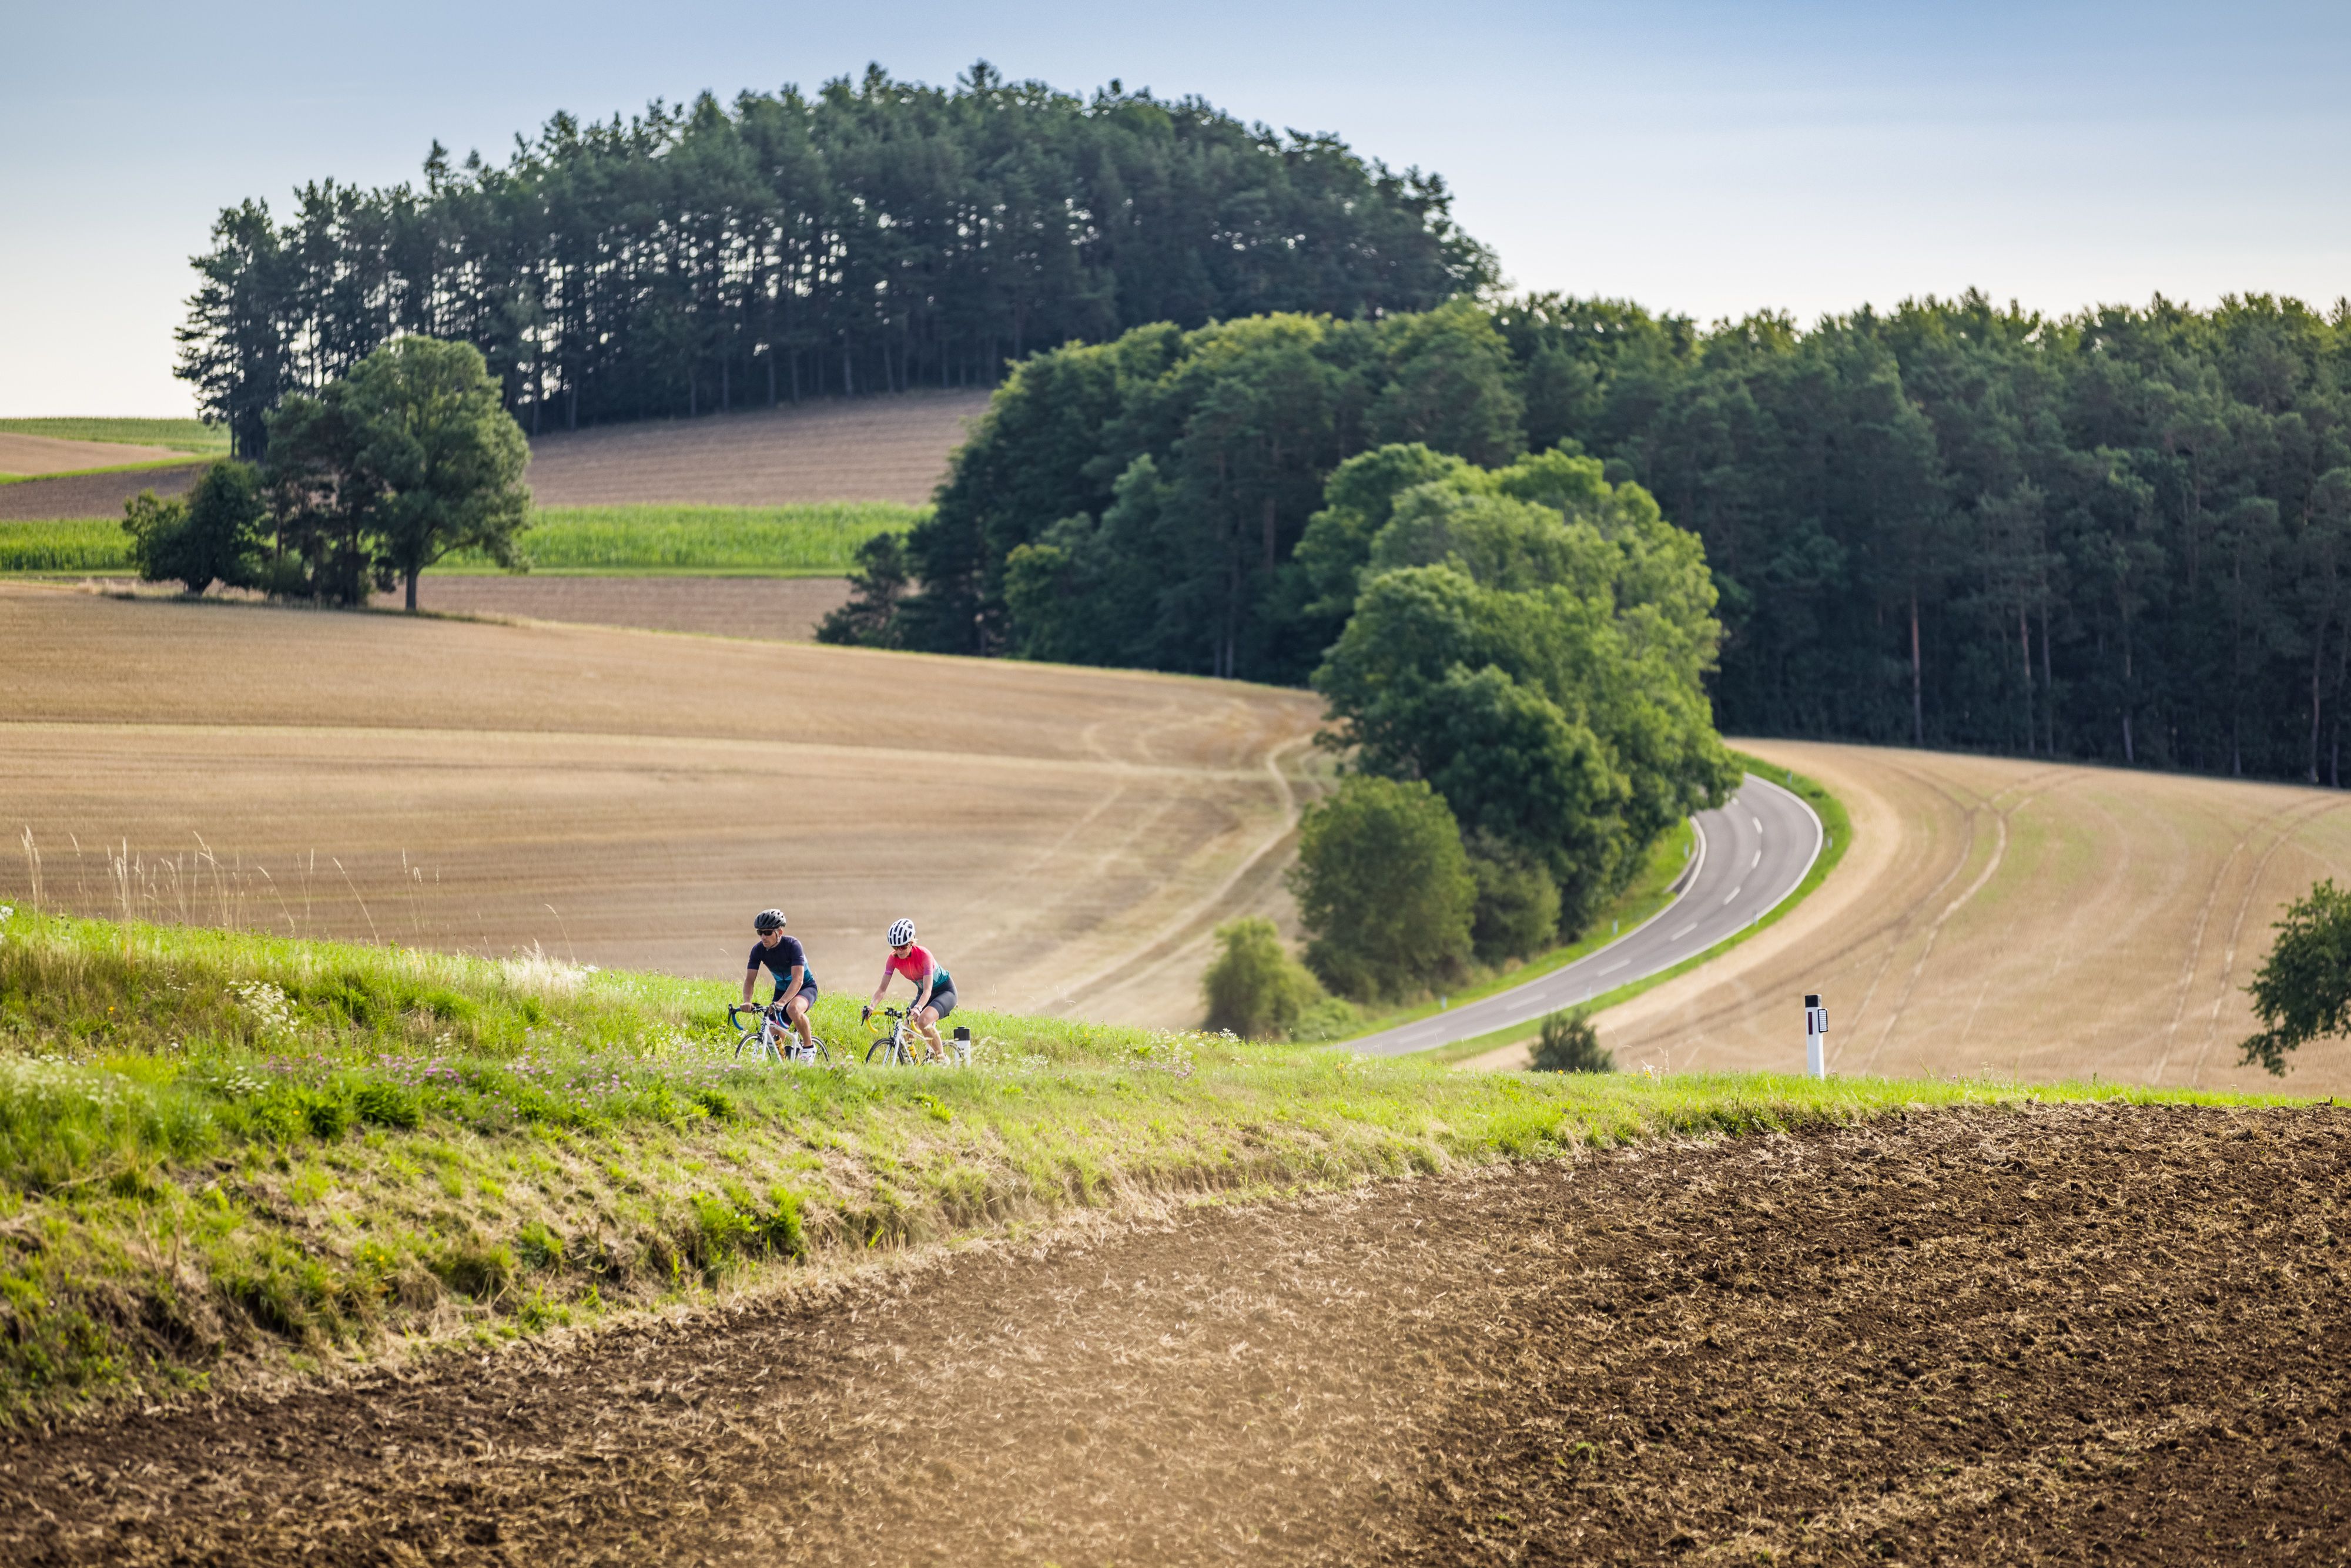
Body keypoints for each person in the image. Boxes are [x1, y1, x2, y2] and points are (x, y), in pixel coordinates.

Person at [864, 917, 957, 1061]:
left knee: (923, 1020)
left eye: (903, 947)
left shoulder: (924, 955)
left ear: (911, 943)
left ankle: (942, 1059)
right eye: (895, 948)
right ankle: (915, 1063)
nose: (899, 951)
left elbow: (928, 990)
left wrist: (919, 1008)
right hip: (924, 994)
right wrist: (871, 1006)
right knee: (907, 1028)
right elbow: (882, 989)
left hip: (944, 991)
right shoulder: (893, 959)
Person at [741, 908, 819, 1061]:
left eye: (768, 932)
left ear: (780, 932)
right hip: (782, 991)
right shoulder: (758, 950)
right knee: (773, 1037)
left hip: (805, 988)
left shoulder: (793, 945)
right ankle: (782, 1065)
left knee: (793, 1008)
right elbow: (750, 980)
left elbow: (798, 980)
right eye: (760, 932)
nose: (763, 936)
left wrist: (782, 1003)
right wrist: (747, 1001)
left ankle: (809, 1048)